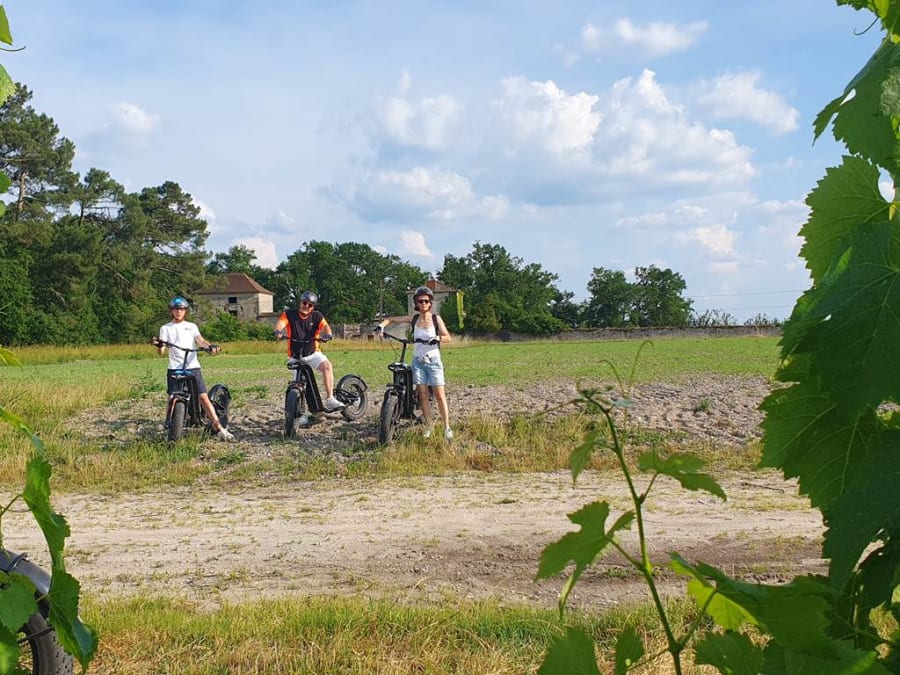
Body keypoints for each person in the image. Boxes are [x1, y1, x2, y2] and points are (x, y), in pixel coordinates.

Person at [152, 296, 235, 441]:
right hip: (175, 367)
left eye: (182, 309)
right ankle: (169, 425)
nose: (179, 312)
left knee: (202, 396)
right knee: (172, 396)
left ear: (185, 311)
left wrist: (209, 346)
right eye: (176, 309)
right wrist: (159, 346)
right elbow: (162, 351)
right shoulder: (165, 328)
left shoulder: (191, 326)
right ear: (171, 311)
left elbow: (200, 340)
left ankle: (220, 428)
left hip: (192, 366)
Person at [380, 285, 453, 440]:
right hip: (418, 361)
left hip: (433, 361)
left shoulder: (436, 319)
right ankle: (429, 426)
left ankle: (447, 427)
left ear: (430, 303)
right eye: (420, 301)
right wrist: (381, 326)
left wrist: (438, 338)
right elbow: (391, 319)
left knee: (440, 395)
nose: (423, 304)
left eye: (426, 301)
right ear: (417, 303)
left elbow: (448, 337)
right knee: (423, 395)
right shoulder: (414, 319)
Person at [273, 290, 344, 412]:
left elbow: (326, 327)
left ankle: (330, 398)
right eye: (304, 303)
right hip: (295, 356)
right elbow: (280, 323)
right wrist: (278, 331)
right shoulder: (289, 314)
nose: (306, 306)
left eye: (310, 304)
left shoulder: (317, 316)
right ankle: (301, 413)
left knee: (327, 366)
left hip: (313, 353)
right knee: (297, 384)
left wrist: (328, 334)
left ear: (312, 307)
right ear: (300, 303)